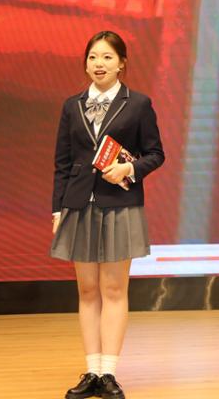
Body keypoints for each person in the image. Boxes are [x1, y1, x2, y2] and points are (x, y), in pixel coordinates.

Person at [51, 31, 165, 399]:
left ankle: (109, 373)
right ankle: (91, 371)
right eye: (93, 57)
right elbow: (63, 163)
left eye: (107, 57)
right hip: (79, 205)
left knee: (114, 290)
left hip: (120, 205)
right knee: (87, 291)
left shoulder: (138, 104)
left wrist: (129, 170)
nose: (98, 64)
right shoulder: (72, 105)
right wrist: (57, 209)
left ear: (121, 64)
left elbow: (155, 154)